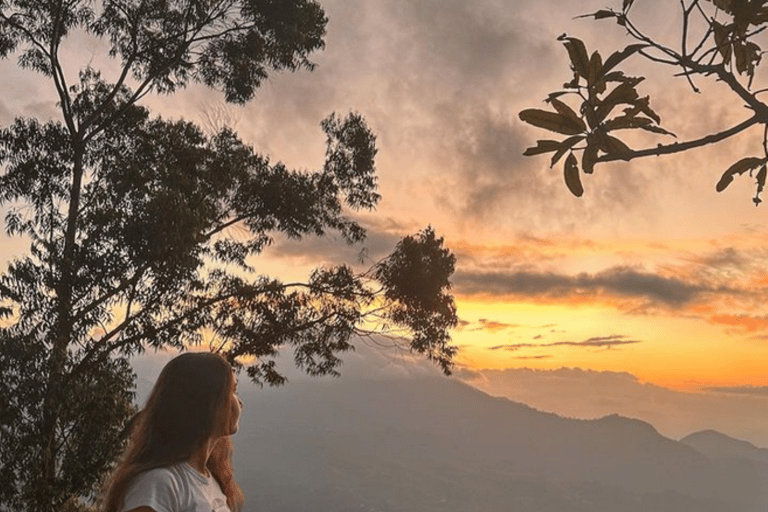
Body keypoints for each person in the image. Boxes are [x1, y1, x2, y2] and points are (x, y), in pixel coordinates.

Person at [99, 352, 245, 512]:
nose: (240, 402)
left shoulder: (209, 481)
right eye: (233, 391)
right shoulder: (159, 484)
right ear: (207, 401)